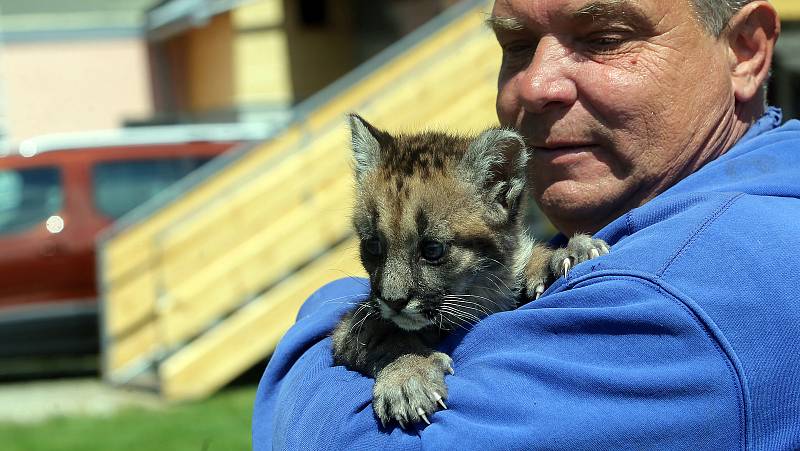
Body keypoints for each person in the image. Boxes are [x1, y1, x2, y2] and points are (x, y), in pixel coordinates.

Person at [253, 0, 800, 449]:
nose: (536, 86)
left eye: (605, 38)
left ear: (745, 51)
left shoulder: (687, 293)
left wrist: (321, 323)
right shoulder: (695, 217)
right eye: (515, 45)